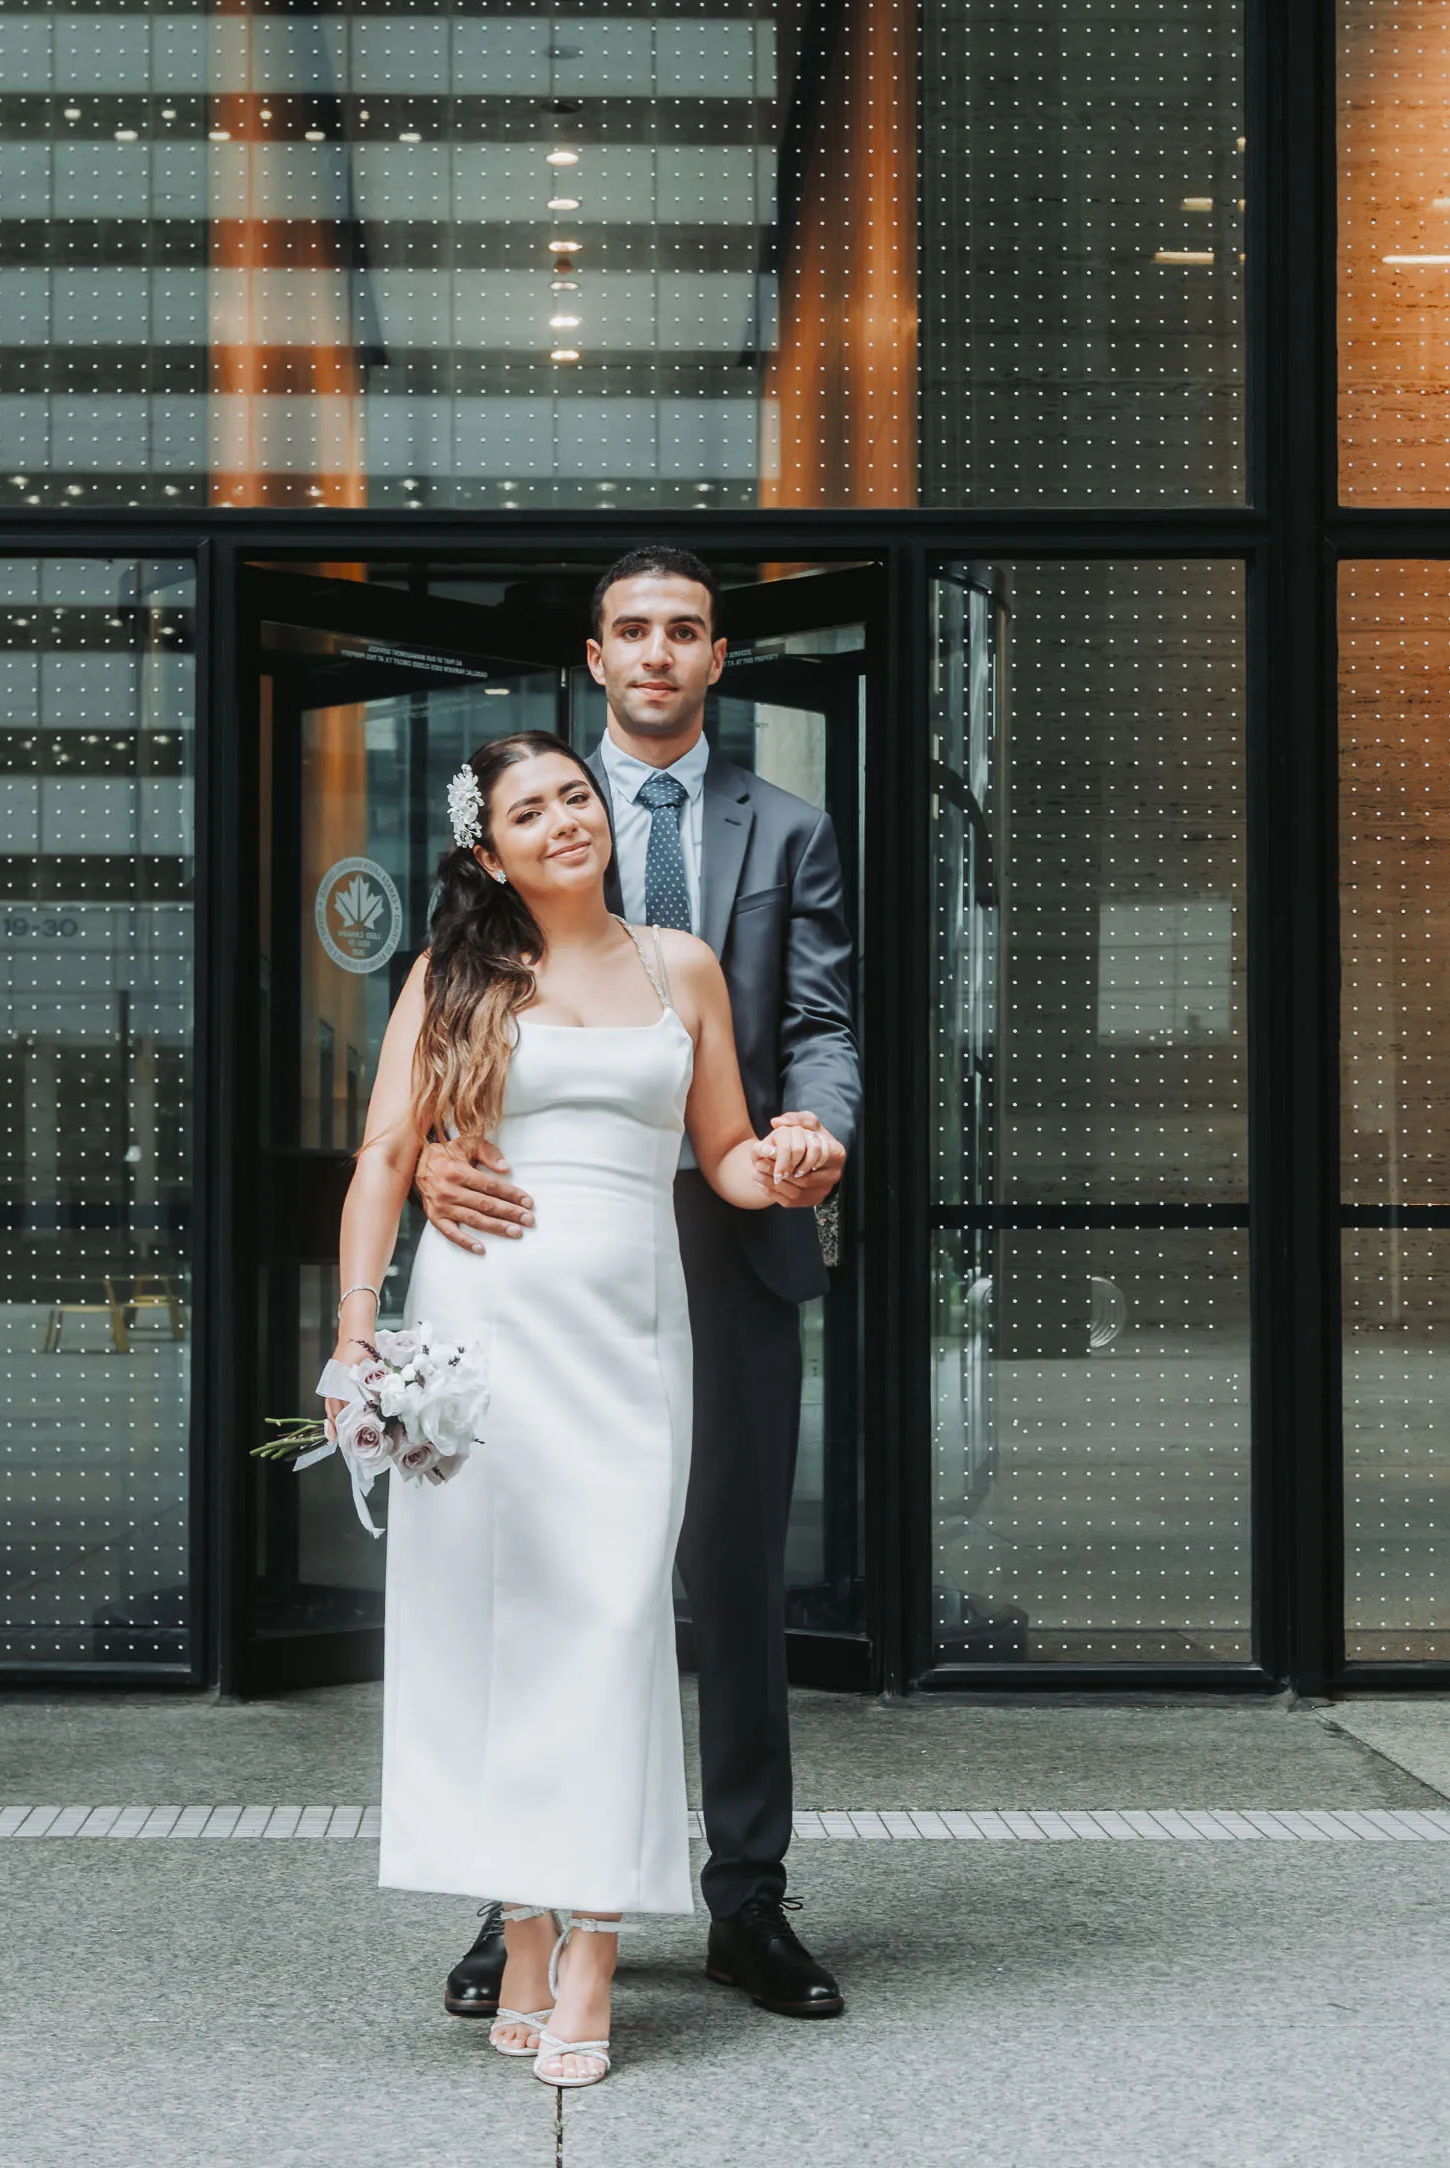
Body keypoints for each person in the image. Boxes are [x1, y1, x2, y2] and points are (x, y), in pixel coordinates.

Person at [326, 729, 840, 2088]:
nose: (565, 820)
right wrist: (358, 1340)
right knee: (494, 1630)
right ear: (489, 852)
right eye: (529, 812)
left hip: (630, 1344)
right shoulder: (453, 975)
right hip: (479, 1338)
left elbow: (723, 1157)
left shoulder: (681, 965)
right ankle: (529, 1930)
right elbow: (383, 1156)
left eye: (575, 795)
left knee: (613, 1625)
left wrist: (791, 1163)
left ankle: (597, 1942)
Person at [416, 547, 861, 2020]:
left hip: (727, 1232)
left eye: (685, 631)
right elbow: (447, 1025)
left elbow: (820, 1021)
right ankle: (521, 1902)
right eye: (633, 631)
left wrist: (815, 1133)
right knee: (534, 1577)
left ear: (718, 659)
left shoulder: (789, 828)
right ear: (596, 657)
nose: (659, 652)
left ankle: (747, 1903)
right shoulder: (526, 817)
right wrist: (432, 1159)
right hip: (535, 1249)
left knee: (730, 1579)